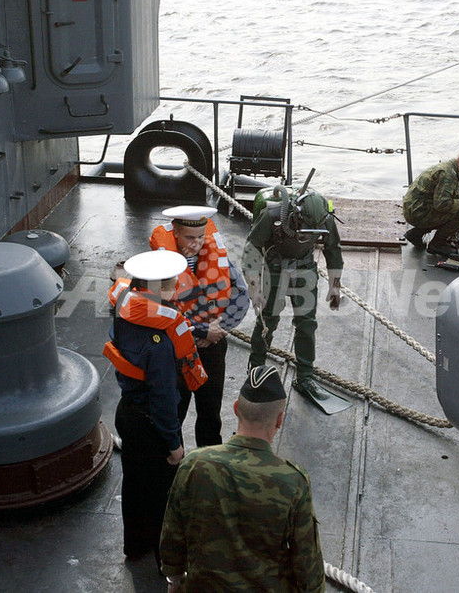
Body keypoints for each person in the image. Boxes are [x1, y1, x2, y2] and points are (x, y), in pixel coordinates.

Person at [160, 365, 326, 591]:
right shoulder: (292, 482)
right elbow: (307, 562)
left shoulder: (194, 464)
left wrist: (174, 579)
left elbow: (173, 534)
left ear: (236, 408)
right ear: (279, 420)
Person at [102, 250, 207, 561]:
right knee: (163, 493)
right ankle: (167, 559)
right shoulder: (159, 341)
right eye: (172, 286)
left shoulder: (123, 312)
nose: (176, 291)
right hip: (151, 423)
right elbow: (163, 398)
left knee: (134, 484)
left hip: (127, 411)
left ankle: (134, 547)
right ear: (159, 290)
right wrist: (174, 444)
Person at [150, 205, 250, 447]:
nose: (196, 243)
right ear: (175, 233)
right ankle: (173, 455)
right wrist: (201, 332)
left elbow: (240, 294)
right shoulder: (156, 267)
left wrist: (218, 329)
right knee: (176, 406)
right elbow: (158, 310)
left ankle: (209, 454)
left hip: (213, 345)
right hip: (178, 349)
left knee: (210, 407)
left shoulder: (218, 259)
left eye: (200, 237)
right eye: (189, 238)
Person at [242, 188, 342, 402]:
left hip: (304, 269)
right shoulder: (273, 216)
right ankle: (256, 366)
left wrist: (335, 284)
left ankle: (305, 376)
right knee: (267, 320)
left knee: (306, 323)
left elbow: (332, 248)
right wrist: (254, 286)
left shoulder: (324, 218)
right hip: (274, 269)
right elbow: (252, 247)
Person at [401, 140, 459, 256]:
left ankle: (416, 233)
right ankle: (437, 244)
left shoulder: (449, 168)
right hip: (417, 213)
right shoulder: (448, 174)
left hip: (415, 209)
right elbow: (442, 205)